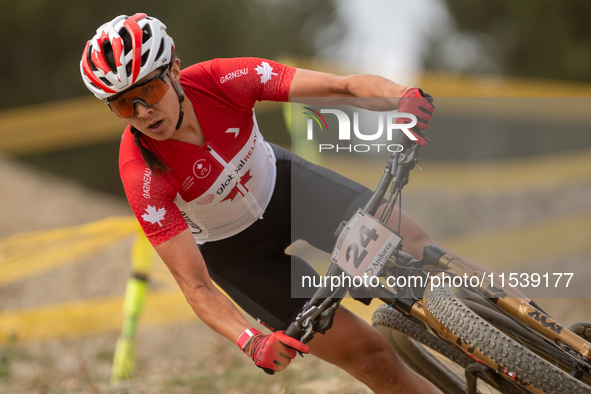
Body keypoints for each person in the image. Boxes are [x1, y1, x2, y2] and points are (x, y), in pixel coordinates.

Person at [79, 13, 536, 394]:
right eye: (124, 106)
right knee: (370, 358)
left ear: (174, 70)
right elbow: (196, 286)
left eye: (150, 92)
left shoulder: (222, 80)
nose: (143, 113)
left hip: (291, 193)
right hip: (239, 256)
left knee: (425, 252)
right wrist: (250, 341)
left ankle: (545, 336)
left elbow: (343, 87)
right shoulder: (141, 170)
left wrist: (403, 98)